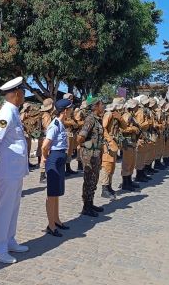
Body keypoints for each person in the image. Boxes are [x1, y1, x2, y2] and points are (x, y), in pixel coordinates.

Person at [0, 77, 30, 264]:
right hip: (7, 169)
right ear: (17, 93)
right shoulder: (6, 113)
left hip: (15, 169)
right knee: (4, 208)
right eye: (23, 93)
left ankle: (10, 240)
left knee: (14, 206)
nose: (24, 96)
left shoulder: (14, 112)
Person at [42, 99, 73, 237]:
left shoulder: (60, 123)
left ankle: (56, 220)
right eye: (70, 109)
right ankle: (51, 225)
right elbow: (45, 145)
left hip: (60, 157)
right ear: (65, 111)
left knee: (57, 193)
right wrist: (45, 157)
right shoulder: (54, 124)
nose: (71, 111)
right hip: (54, 158)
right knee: (52, 194)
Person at [76, 95, 106, 217]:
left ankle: (90, 202)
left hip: (96, 154)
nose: (103, 106)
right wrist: (89, 145)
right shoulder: (90, 119)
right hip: (89, 154)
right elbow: (80, 138)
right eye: (101, 104)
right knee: (89, 179)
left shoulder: (97, 119)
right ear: (95, 106)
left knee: (94, 179)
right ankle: (86, 206)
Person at [120, 98, 141, 191]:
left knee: (132, 163)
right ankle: (125, 183)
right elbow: (122, 129)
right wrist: (132, 129)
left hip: (132, 142)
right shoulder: (126, 116)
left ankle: (129, 181)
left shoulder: (131, 115)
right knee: (127, 163)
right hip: (127, 142)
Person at [38, 98, 54, 183]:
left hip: (42, 137)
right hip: (46, 138)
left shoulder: (42, 114)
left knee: (44, 156)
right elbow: (48, 128)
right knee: (45, 156)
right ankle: (42, 176)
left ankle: (43, 174)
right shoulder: (47, 115)